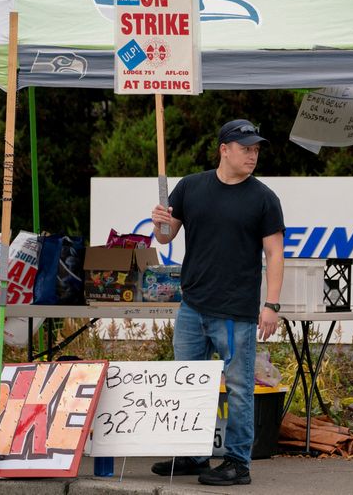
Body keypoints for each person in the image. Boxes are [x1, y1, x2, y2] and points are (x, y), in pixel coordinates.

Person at [150, 119, 285, 486]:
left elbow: (275, 254)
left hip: (236, 309)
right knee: (188, 381)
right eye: (246, 148)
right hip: (192, 304)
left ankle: (238, 463)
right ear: (224, 149)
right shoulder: (191, 187)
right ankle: (193, 454)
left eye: (256, 149)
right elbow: (165, 237)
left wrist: (271, 305)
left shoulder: (263, 198)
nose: (253, 155)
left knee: (239, 387)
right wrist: (158, 221)